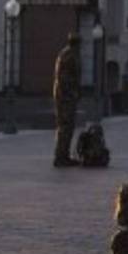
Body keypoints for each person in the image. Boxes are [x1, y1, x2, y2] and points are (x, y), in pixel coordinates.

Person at [52, 31, 82, 167]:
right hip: (66, 97)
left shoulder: (65, 53)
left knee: (65, 126)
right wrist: (73, 94)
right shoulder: (70, 56)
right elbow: (66, 79)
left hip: (63, 95)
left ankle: (63, 155)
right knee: (65, 127)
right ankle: (61, 157)